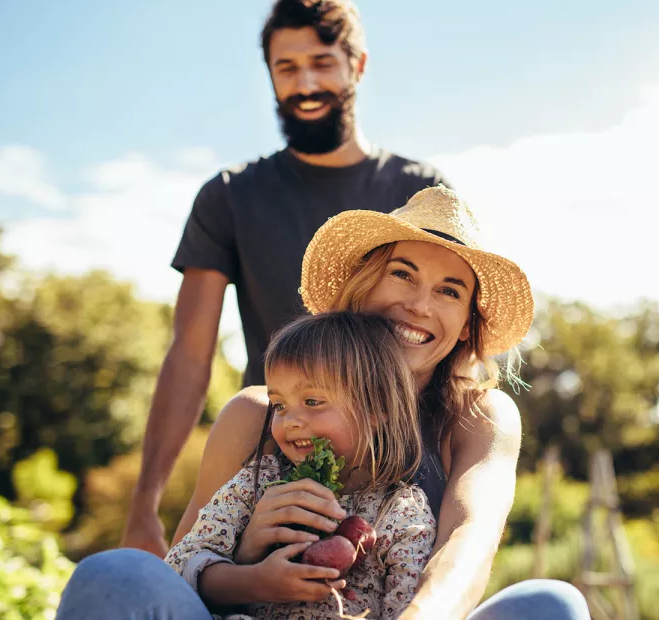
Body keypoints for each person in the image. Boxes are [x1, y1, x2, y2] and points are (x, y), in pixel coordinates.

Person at [56, 186, 589, 619]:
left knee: (551, 605)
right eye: (402, 273)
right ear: (360, 285)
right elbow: (181, 570)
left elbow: (467, 542)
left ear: (467, 324)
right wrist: (245, 559)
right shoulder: (255, 414)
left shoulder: (478, 416)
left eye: (450, 291)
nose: (419, 304)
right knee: (114, 574)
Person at [120, 0, 449, 559]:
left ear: (358, 66)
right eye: (287, 68)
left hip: (397, 461)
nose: (306, 83)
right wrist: (145, 501)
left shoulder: (418, 191)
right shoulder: (230, 196)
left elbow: (445, 333)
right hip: (274, 452)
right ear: (270, 75)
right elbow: (190, 354)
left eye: (322, 62)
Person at [164, 311, 435, 619]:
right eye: (279, 405)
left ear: (378, 407)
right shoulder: (258, 484)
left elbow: (409, 605)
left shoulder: (401, 513)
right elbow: (176, 570)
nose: (290, 421)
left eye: (312, 402)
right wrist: (253, 580)